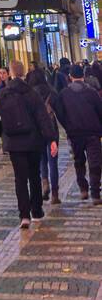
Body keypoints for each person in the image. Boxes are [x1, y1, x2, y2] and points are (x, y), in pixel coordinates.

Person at [0, 59, 57, 228]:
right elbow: (42, 118)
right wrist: (51, 139)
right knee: (34, 176)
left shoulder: (3, 94)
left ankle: (24, 216)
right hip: (33, 141)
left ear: (11, 74)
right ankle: (36, 211)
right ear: (24, 73)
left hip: (13, 143)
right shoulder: (32, 93)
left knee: (20, 179)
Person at [53, 63, 102, 204]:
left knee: (79, 161)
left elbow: (60, 113)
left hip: (74, 134)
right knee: (95, 163)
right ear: (83, 76)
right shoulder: (91, 92)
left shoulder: (64, 94)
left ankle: (83, 189)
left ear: (70, 77)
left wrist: (68, 125)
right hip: (93, 133)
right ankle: (95, 194)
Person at [26, 66, 61, 205]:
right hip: (52, 129)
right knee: (53, 161)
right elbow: (60, 112)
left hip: (37, 130)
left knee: (42, 160)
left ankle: (44, 183)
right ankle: (55, 194)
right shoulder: (51, 92)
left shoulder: (29, 94)